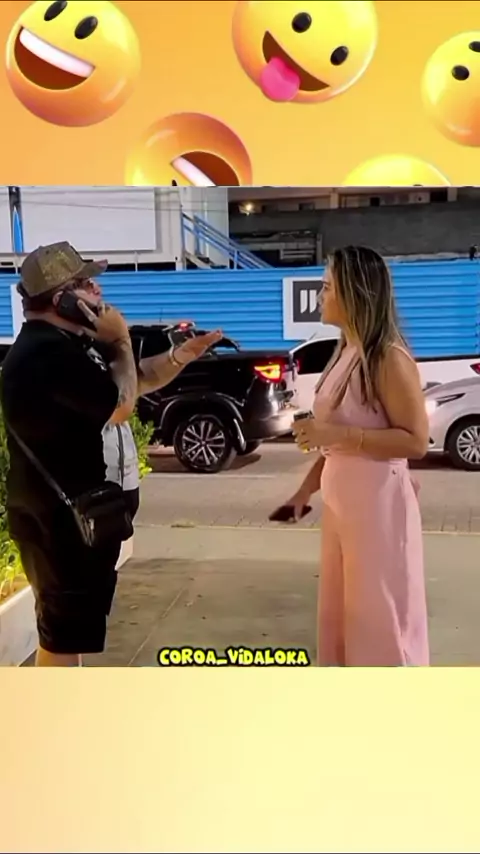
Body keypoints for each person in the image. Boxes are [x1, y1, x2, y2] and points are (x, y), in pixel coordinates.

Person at [0, 241, 221, 667]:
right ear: (61, 300)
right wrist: (119, 338)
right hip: (59, 526)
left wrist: (179, 357)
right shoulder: (47, 353)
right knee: (62, 641)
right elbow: (120, 405)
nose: (98, 291)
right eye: (85, 284)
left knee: (69, 635)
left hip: (74, 521)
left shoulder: (68, 343)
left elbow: (130, 380)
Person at [284, 245, 430, 667]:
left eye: (327, 287)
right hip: (344, 506)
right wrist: (304, 490)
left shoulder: (387, 357)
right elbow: (335, 446)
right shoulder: (346, 351)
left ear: (355, 292)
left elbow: (415, 442)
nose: (320, 296)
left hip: (378, 508)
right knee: (346, 612)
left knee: (379, 615)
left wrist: (336, 433)